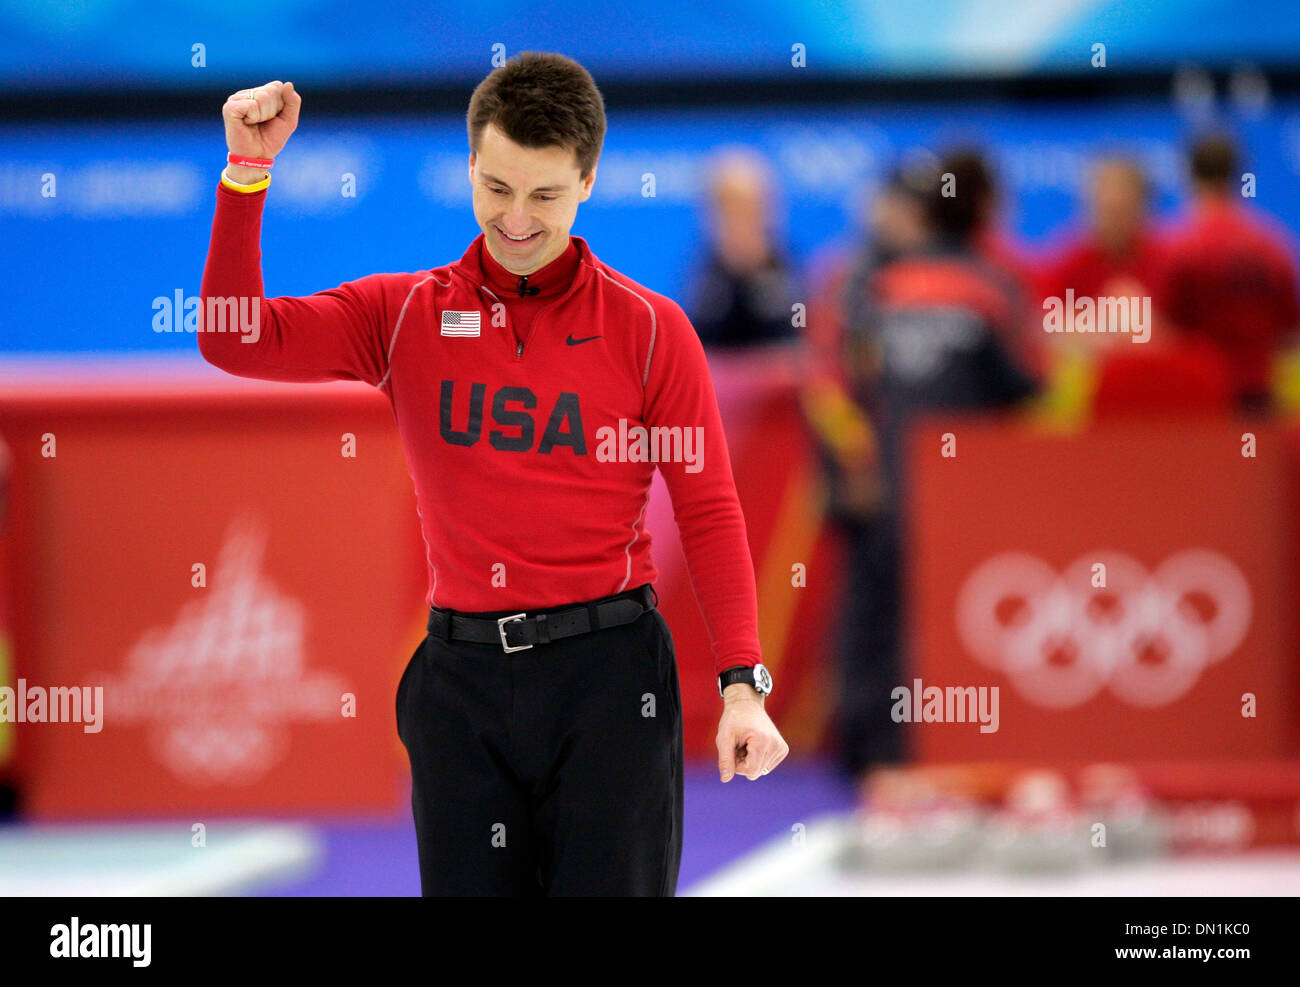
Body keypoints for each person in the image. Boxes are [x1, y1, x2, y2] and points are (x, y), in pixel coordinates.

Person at [197, 53, 787, 897]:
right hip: (461, 686)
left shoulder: (652, 330)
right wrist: (246, 174)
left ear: (587, 181)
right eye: (497, 186)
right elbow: (233, 337)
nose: (515, 218)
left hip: (612, 684)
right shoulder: (403, 315)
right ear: (470, 165)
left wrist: (741, 684)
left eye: (545, 195)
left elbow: (709, 508)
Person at [832, 151, 1038, 777]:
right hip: (966, 497)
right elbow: (1027, 386)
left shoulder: (877, 289)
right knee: (955, 617)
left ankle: (873, 755)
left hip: (886, 484)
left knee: (878, 615)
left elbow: (842, 385)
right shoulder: (990, 289)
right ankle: (954, 749)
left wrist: (856, 471)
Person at [1161, 134, 1300, 412]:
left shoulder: (1177, 248)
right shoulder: (1273, 245)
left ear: (1188, 174)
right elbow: (1290, 331)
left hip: (1200, 398)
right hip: (1259, 397)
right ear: (1239, 174)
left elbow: (1165, 332)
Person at [687, 148, 799, 348]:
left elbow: (795, 345)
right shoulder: (706, 276)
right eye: (729, 211)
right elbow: (700, 345)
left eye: (748, 210)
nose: (739, 224)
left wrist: (758, 276)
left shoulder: (785, 270)